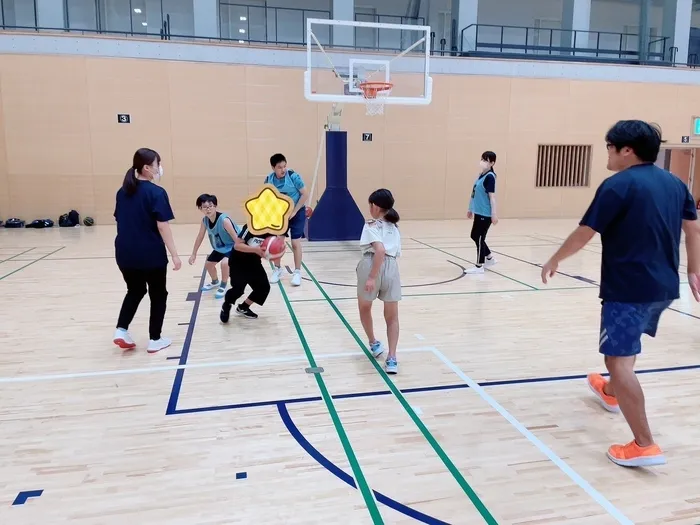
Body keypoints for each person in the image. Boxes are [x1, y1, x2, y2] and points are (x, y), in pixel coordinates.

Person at [541, 120, 700, 468]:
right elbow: (693, 228)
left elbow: (586, 232)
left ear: (626, 150)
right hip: (663, 287)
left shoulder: (617, 185)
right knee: (624, 351)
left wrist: (555, 258)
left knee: (617, 359)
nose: (608, 154)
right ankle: (611, 392)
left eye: (610, 147)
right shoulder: (675, 183)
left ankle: (644, 444)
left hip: (628, 288)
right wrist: (693, 269)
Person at [113, 148, 181, 353]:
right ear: (146, 168)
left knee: (135, 290)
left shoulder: (122, 192)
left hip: (124, 253)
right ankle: (155, 339)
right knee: (158, 294)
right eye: (157, 164)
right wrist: (175, 255)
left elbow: (120, 219)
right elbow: (163, 226)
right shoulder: (157, 193)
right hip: (150, 254)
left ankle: (121, 330)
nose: (159, 168)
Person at [356, 189, 402, 374]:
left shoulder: (370, 225)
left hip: (372, 263)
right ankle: (392, 358)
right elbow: (393, 252)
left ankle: (374, 343)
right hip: (392, 268)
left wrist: (372, 277)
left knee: (364, 308)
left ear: (375, 206)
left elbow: (380, 251)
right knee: (392, 317)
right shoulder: (395, 227)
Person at [264, 153, 308, 287]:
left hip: (297, 212)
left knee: (295, 243)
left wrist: (294, 211)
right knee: (277, 242)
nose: (283, 170)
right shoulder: (269, 180)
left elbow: (304, 194)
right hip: (280, 215)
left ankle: (297, 272)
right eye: (279, 167)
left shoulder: (294, 177)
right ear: (273, 168)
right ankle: (278, 269)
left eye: (284, 166)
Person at [219, 223, 274, 323]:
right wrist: (255, 250)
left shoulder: (273, 229)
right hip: (238, 262)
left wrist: (274, 253)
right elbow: (237, 245)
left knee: (263, 288)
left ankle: (243, 307)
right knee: (238, 289)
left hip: (254, 262)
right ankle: (226, 304)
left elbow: (271, 248)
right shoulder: (251, 226)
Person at [188, 194, 239, 299]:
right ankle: (215, 282)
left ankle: (223, 285)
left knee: (225, 263)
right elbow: (199, 237)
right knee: (208, 265)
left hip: (232, 246)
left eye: (210, 206)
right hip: (219, 248)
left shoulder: (224, 220)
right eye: (204, 207)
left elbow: (236, 238)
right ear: (200, 209)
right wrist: (194, 254)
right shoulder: (205, 221)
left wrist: (242, 252)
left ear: (215, 206)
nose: (208, 209)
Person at [465, 151, 499, 274]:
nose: (483, 162)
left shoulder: (490, 177)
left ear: (492, 163)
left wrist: (494, 214)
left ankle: (479, 266)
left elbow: (492, 197)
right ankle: (489, 257)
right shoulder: (481, 176)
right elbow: (474, 194)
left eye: (486, 160)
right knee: (474, 235)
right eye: (482, 159)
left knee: (479, 237)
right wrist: (470, 209)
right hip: (478, 212)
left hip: (486, 213)